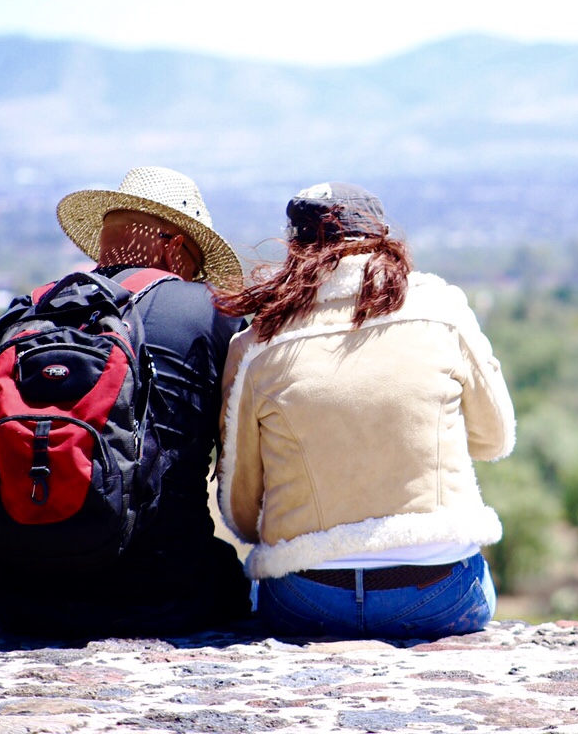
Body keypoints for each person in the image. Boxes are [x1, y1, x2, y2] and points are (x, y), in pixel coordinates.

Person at [215, 181, 515, 639]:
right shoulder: (443, 312)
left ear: (296, 248)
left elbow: (239, 511)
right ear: (384, 239)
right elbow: (495, 440)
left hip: (309, 598)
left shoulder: (255, 345)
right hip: (440, 592)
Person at [0, 166, 252, 636]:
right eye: (195, 259)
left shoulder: (25, 313)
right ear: (172, 248)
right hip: (164, 601)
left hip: (20, 602)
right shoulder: (211, 312)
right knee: (234, 574)